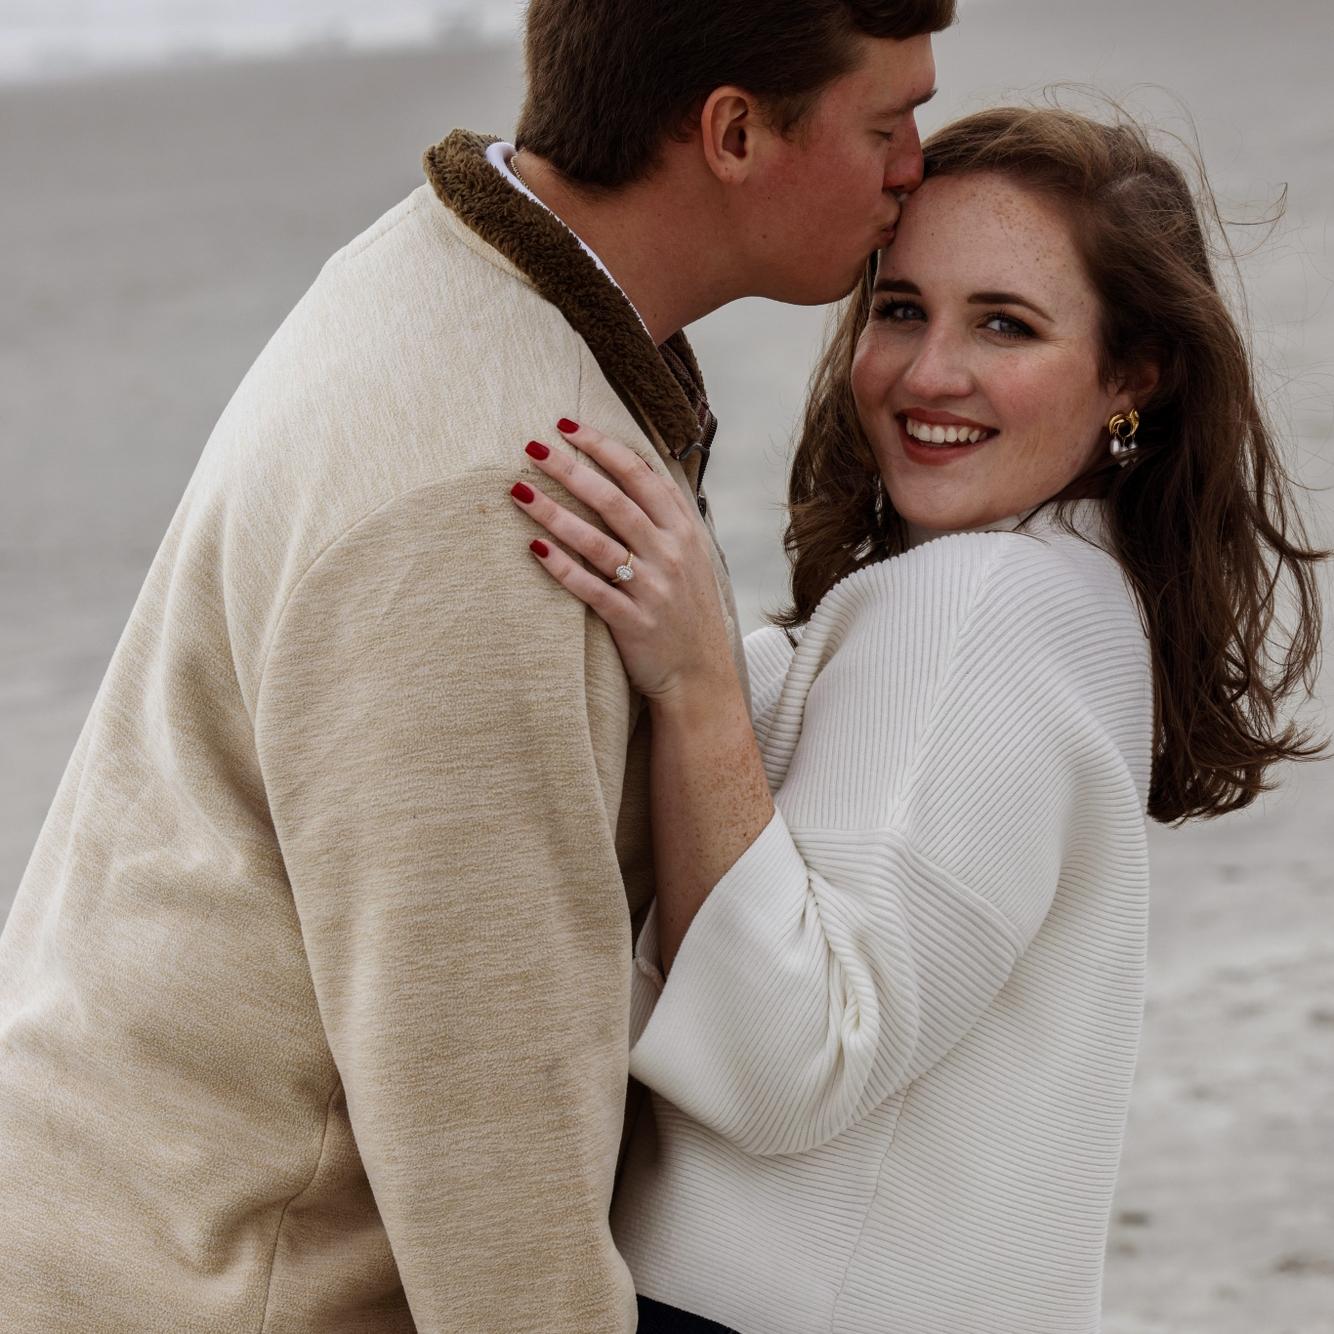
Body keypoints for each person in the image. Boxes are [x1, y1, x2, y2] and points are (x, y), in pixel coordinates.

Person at [0, 2, 952, 1330]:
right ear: (733, 133)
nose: (918, 158)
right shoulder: (483, 498)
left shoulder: (458, 276)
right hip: (211, 1283)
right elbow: (482, 1116)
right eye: (886, 120)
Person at [509, 106, 1326, 1333]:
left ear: (1131, 373)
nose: (926, 373)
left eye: (1005, 323)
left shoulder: (977, 604)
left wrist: (694, 688)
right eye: (900, 308)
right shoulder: (1084, 603)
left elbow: (793, 1056)